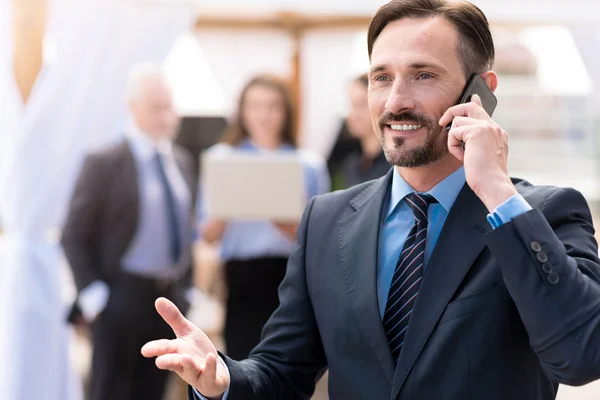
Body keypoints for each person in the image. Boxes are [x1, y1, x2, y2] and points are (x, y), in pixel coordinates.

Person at [141, 1, 600, 399]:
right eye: (381, 77)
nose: (395, 101)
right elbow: (282, 373)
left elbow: (581, 355)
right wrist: (223, 379)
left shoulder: (544, 213)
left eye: (423, 74)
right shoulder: (327, 220)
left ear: (481, 92)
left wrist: (497, 190)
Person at [62, 63, 196, 400]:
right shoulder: (105, 161)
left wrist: (188, 289)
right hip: (120, 294)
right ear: (133, 109)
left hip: (168, 300)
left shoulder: (181, 161)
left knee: (153, 389)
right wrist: (94, 296)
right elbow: (74, 232)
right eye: (156, 107)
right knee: (110, 389)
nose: (165, 115)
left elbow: (184, 228)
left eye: (169, 106)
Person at [197, 75, 330, 360]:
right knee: (243, 362)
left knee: (287, 362)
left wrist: (289, 225)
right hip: (240, 277)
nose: (264, 115)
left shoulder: (308, 164)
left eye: (273, 106)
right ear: (242, 112)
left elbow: (323, 236)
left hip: (290, 277)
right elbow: (206, 234)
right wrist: (224, 215)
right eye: (255, 106)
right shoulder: (221, 159)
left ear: (286, 112)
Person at [338, 73, 391, 188]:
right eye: (351, 106)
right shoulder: (351, 164)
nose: (353, 115)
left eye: (361, 105)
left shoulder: (395, 164)